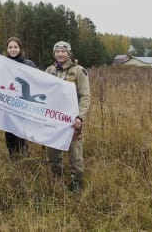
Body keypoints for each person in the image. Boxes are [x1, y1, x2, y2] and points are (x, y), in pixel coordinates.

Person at [45, 40, 90, 193]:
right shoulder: (49, 71)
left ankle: (76, 181)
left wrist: (80, 117)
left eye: (63, 51)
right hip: (53, 119)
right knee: (52, 151)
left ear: (69, 53)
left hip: (72, 121)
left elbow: (85, 97)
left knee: (75, 152)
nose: (60, 54)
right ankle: (56, 178)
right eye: (57, 51)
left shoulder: (78, 71)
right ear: (54, 53)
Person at [5, 37, 38, 159]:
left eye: (15, 47)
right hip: (7, 104)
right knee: (9, 132)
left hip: (23, 105)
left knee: (22, 132)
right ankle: (12, 157)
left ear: (20, 48)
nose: (13, 50)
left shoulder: (28, 64)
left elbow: (39, 79)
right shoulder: (2, 63)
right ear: (7, 49)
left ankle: (24, 157)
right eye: (10, 47)